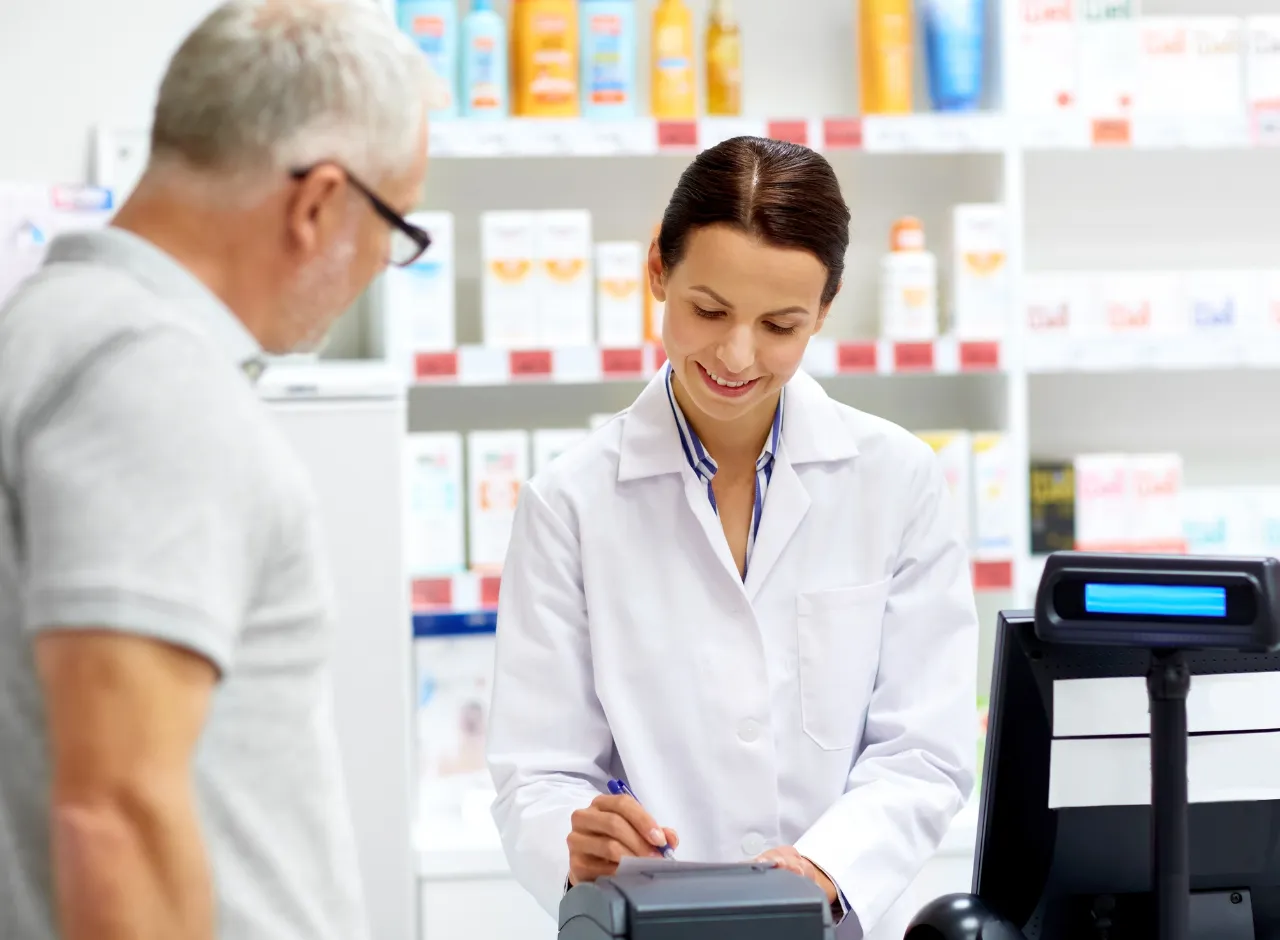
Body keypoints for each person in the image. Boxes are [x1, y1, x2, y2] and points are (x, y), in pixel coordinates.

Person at [0, 2, 433, 938]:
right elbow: (115, 816)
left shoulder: (43, 333)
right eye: (395, 227)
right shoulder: (150, 382)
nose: (382, 265)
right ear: (318, 205)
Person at [487, 136, 978, 938]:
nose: (736, 354)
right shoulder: (568, 504)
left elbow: (925, 748)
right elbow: (537, 773)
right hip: (650, 924)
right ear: (658, 270)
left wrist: (825, 868)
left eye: (780, 324)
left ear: (825, 309)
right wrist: (578, 843)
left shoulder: (898, 480)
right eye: (709, 311)